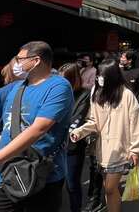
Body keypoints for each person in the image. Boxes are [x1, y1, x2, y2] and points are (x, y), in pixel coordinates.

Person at [0, 42, 74, 212]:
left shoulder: (59, 87)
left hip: (41, 176)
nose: (16, 63)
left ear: (36, 60)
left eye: (20, 59)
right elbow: (5, 132)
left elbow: (39, 128)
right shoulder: (13, 89)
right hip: (4, 174)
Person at [70, 59, 139, 212]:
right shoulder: (96, 93)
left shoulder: (127, 95)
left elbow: (135, 123)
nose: (99, 78)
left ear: (112, 76)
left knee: (110, 188)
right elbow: (94, 121)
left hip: (120, 150)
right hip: (102, 150)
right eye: (98, 75)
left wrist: (135, 150)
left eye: (102, 75)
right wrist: (80, 132)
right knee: (109, 188)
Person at [59, 63, 91, 212]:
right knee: (56, 182)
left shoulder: (84, 94)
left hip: (72, 144)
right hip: (55, 145)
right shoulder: (57, 92)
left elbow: (78, 118)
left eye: (64, 79)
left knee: (72, 183)